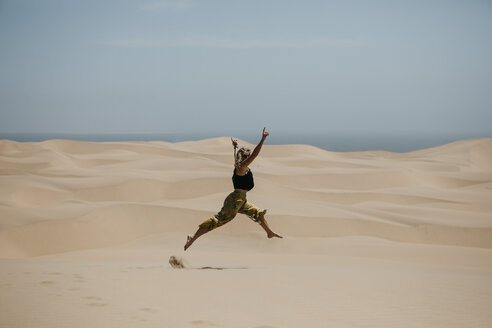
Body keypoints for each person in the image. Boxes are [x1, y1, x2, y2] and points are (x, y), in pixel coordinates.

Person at [184, 127, 282, 251]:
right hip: (235, 201)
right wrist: (263, 139)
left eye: (248, 154)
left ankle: (269, 233)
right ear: (243, 157)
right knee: (219, 220)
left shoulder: (241, 166)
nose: (249, 156)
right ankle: (192, 237)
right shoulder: (241, 167)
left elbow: (239, 158)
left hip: (241, 201)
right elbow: (255, 154)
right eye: (247, 155)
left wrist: (235, 147)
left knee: (258, 213)